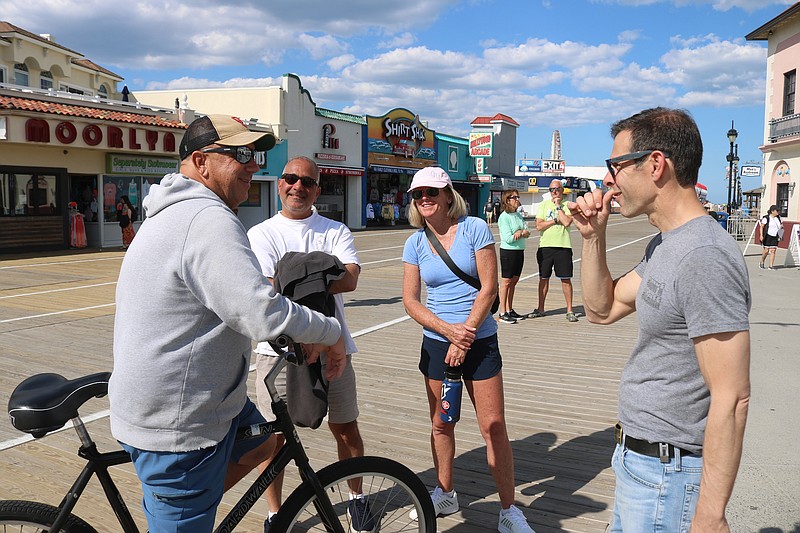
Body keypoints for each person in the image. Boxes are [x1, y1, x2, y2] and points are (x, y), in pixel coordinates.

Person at [108, 115, 346, 533]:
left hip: (200, 401)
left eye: (254, 155)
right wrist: (330, 333)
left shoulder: (173, 213)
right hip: (179, 425)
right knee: (183, 514)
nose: (253, 166)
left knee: (263, 442)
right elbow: (260, 311)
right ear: (201, 161)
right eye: (240, 155)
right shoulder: (206, 220)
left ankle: (191, 500)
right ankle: (183, 505)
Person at [569, 107, 751, 532]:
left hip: (670, 476)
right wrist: (594, 238)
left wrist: (710, 513)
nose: (608, 180)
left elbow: (733, 396)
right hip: (641, 465)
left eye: (615, 166)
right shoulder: (665, 245)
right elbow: (602, 309)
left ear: (655, 164)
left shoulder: (703, 256)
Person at [401, 167, 535, 533]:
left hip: (479, 344)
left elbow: (489, 288)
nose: (425, 198)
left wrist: (465, 336)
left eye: (432, 191)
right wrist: (447, 331)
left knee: (493, 427)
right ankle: (445, 492)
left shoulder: (474, 227)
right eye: (418, 194)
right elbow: (410, 301)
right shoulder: (414, 242)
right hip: (437, 346)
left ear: (448, 195)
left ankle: (509, 510)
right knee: (442, 424)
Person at [247, 156, 374, 533]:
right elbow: (269, 289)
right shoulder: (262, 233)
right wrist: (320, 269)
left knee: (346, 428)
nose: (297, 186)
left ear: (317, 189)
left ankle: (356, 499)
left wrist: (292, 271)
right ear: (280, 183)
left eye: (307, 181)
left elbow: (350, 279)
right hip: (276, 353)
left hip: (335, 347)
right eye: (290, 178)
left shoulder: (334, 229)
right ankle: (275, 513)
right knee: (275, 440)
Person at [528, 179, 578, 322]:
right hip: (546, 247)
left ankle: (569, 310)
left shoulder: (567, 205)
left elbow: (567, 222)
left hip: (563, 246)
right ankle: (540, 308)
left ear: (562, 190)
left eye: (557, 189)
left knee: (565, 279)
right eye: (551, 190)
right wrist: (555, 221)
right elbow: (539, 226)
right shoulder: (543, 205)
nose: (554, 192)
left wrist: (558, 207)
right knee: (543, 278)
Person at [496, 189, 530, 324]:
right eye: (514, 197)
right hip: (508, 252)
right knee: (506, 282)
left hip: (519, 251)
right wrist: (521, 233)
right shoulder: (504, 217)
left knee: (514, 281)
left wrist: (521, 232)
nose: (517, 200)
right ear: (507, 200)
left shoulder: (518, 215)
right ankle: (502, 312)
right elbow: (508, 238)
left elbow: (527, 231)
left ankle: (510, 309)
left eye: (517, 197)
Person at [759, 204, 782, 270]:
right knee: (766, 251)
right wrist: (761, 235)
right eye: (777, 210)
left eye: (778, 211)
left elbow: (781, 227)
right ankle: (762, 261)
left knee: (773, 250)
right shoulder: (766, 218)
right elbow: (762, 227)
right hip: (768, 235)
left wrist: (780, 236)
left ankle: (771, 266)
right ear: (772, 211)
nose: (778, 212)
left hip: (775, 236)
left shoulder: (779, 218)